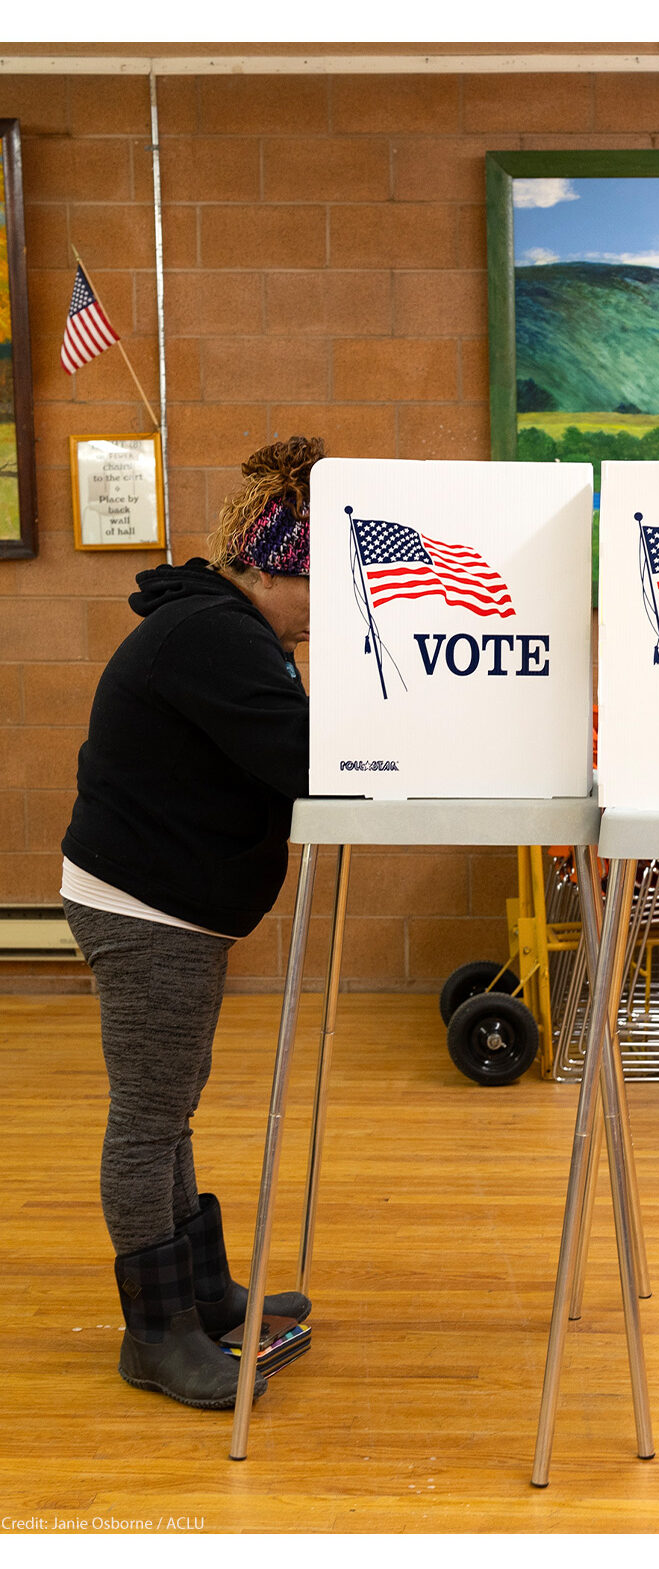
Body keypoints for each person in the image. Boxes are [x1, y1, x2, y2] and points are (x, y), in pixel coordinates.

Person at [61, 435, 323, 1409]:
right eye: (316, 586)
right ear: (265, 563)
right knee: (146, 1122)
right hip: (146, 907)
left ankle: (200, 1294)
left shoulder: (225, 629)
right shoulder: (216, 638)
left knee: (168, 1108)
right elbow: (308, 762)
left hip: (162, 902)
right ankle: (155, 1334)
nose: (324, 612)